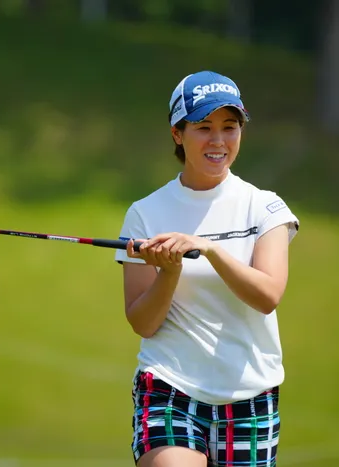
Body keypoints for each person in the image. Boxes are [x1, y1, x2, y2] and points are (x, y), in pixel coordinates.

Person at [114, 70, 300, 467]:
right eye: (203, 127)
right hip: (169, 388)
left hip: (250, 397)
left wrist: (210, 249)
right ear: (177, 134)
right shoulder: (144, 213)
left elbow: (268, 296)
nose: (218, 140)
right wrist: (169, 272)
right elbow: (143, 323)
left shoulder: (265, 208)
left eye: (229, 127)